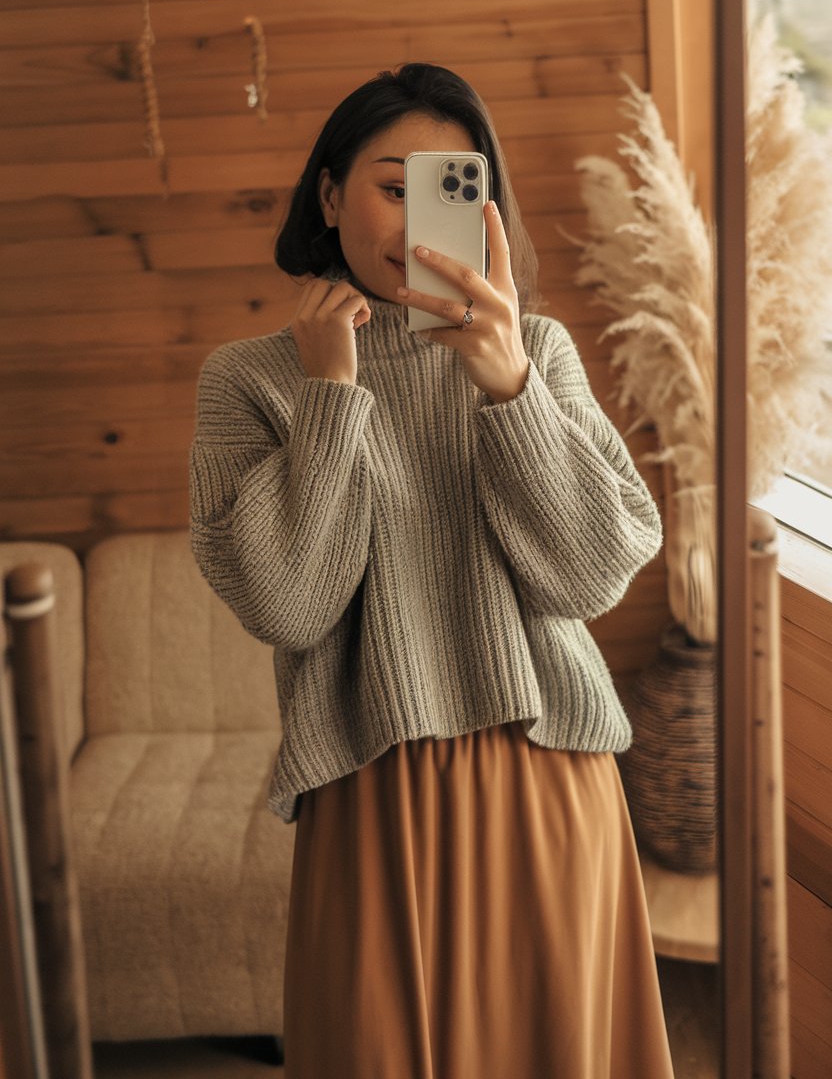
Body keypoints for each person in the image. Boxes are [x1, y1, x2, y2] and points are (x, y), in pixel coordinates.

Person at [188, 63, 676, 1078]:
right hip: (370, 790)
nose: (417, 219)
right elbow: (285, 603)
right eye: (391, 184)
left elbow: (589, 578)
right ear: (329, 196)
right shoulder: (247, 381)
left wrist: (507, 389)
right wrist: (330, 393)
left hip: (549, 778)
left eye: (450, 188)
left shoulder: (533, 349)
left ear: (486, 208)